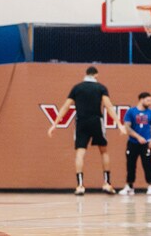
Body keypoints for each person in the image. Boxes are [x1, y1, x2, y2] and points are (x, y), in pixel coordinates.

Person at [47, 65, 126, 195]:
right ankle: (107, 183)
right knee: (104, 152)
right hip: (96, 121)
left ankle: (80, 186)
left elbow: (65, 107)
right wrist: (119, 124)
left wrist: (54, 124)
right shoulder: (101, 88)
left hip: (81, 122)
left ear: (86, 74)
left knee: (80, 153)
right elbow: (109, 106)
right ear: (96, 75)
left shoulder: (77, 88)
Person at [119, 91, 151, 196]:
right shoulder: (131, 112)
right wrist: (138, 137)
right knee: (130, 165)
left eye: (150, 100)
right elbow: (127, 127)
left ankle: (150, 186)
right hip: (133, 143)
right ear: (141, 100)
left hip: (146, 144)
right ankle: (130, 187)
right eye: (148, 100)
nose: (150, 102)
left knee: (148, 164)